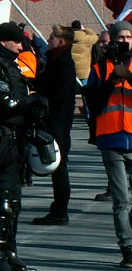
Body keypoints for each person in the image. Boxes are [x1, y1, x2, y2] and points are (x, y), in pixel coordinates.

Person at [0, 22, 47, 271]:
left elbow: (20, 96)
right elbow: (6, 102)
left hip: (17, 138)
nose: (21, 45)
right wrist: (32, 100)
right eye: (17, 41)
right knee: (1, 203)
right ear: (4, 42)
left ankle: (9, 253)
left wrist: (35, 106)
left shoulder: (13, 65)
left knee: (13, 202)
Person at [84, 20, 132, 267]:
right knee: (121, 200)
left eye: (128, 37)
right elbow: (92, 104)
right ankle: (127, 248)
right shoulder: (100, 68)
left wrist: (129, 76)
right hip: (111, 138)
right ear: (112, 40)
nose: (124, 41)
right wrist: (111, 80)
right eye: (120, 37)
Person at [33, 25, 77, 226]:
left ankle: (60, 210)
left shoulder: (62, 63)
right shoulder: (55, 60)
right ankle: (58, 208)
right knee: (57, 165)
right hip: (56, 119)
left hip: (58, 121)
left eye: (51, 38)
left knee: (59, 165)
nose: (49, 40)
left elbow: (59, 93)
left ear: (60, 41)